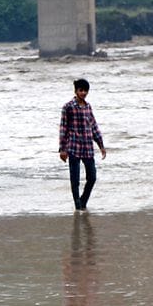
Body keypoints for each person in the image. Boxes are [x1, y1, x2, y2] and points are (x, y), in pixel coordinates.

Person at [59, 78, 107, 212]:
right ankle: (78, 206)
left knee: (92, 177)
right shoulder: (68, 107)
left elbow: (94, 126)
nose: (83, 93)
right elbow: (63, 128)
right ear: (76, 91)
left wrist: (101, 145)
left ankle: (83, 201)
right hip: (73, 147)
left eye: (86, 91)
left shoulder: (88, 107)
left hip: (87, 148)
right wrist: (62, 149)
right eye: (81, 90)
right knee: (75, 181)